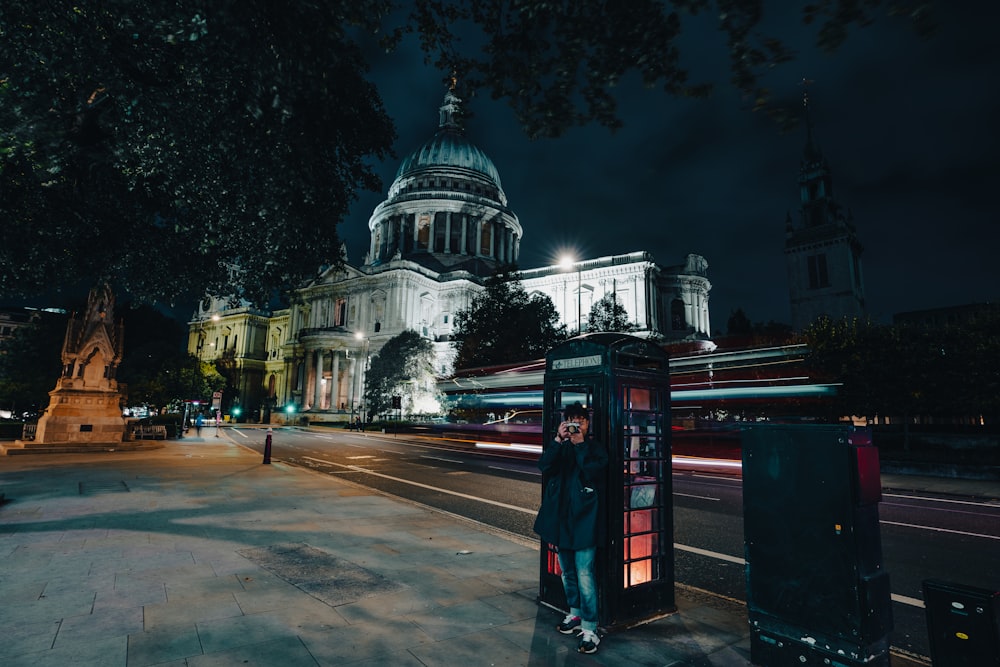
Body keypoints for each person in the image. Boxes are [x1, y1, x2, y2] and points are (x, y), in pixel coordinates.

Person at [533, 401, 608, 654]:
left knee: (585, 573)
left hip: (586, 521)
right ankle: (575, 613)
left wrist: (580, 446)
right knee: (567, 572)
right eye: (572, 421)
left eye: (581, 421)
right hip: (562, 520)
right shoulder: (561, 447)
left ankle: (590, 627)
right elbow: (544, 466)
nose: (577, 426)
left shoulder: (595, 449)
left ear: (587, 424)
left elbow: (596, 472)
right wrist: (557, 439)